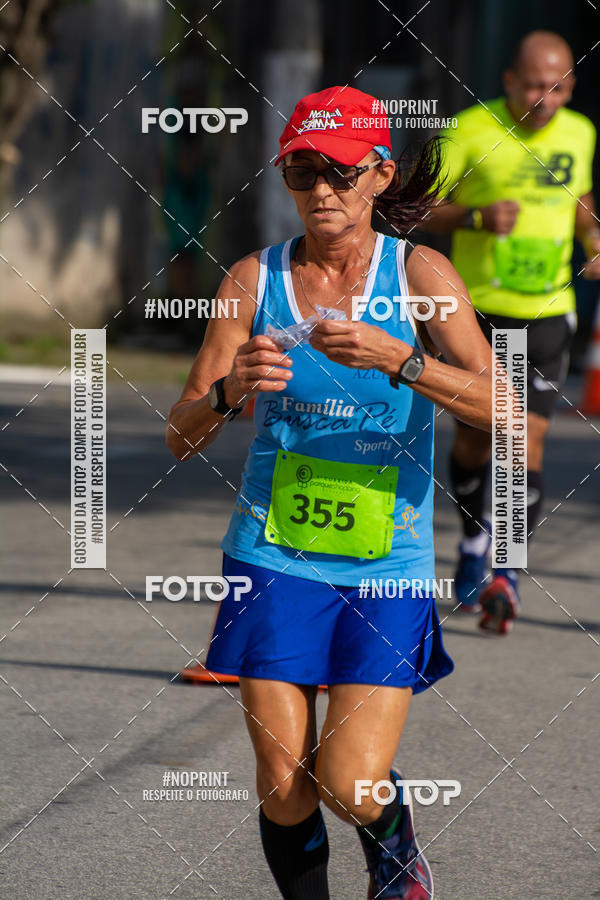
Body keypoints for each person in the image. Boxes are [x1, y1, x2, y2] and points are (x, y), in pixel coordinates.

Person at [166, 85, 492, 900]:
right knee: (283, 783)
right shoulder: (253, 279)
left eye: (341, 173)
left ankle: (397, 848)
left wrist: (403, 359)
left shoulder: (420, 273)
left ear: (380, 175)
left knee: (349, 782)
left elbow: (507, 408)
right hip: (273, 555)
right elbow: (180, 432)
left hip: (387, 560)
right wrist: (229, 391)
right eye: (303, 172)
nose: (322, 191)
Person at [424, 31, 600, 633]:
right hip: (475, 313)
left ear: (571, 87)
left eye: (556, 87)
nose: (543, 98)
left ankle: (508, 569)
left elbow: (579, 200)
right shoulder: (471, 129)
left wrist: (593, 237)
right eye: (531, 85)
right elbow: (415, 207)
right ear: (507, 81)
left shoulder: (581, 132)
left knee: (525, 438)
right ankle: (474, 541)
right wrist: (475, 215)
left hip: (547, 310)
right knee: (477, 439)